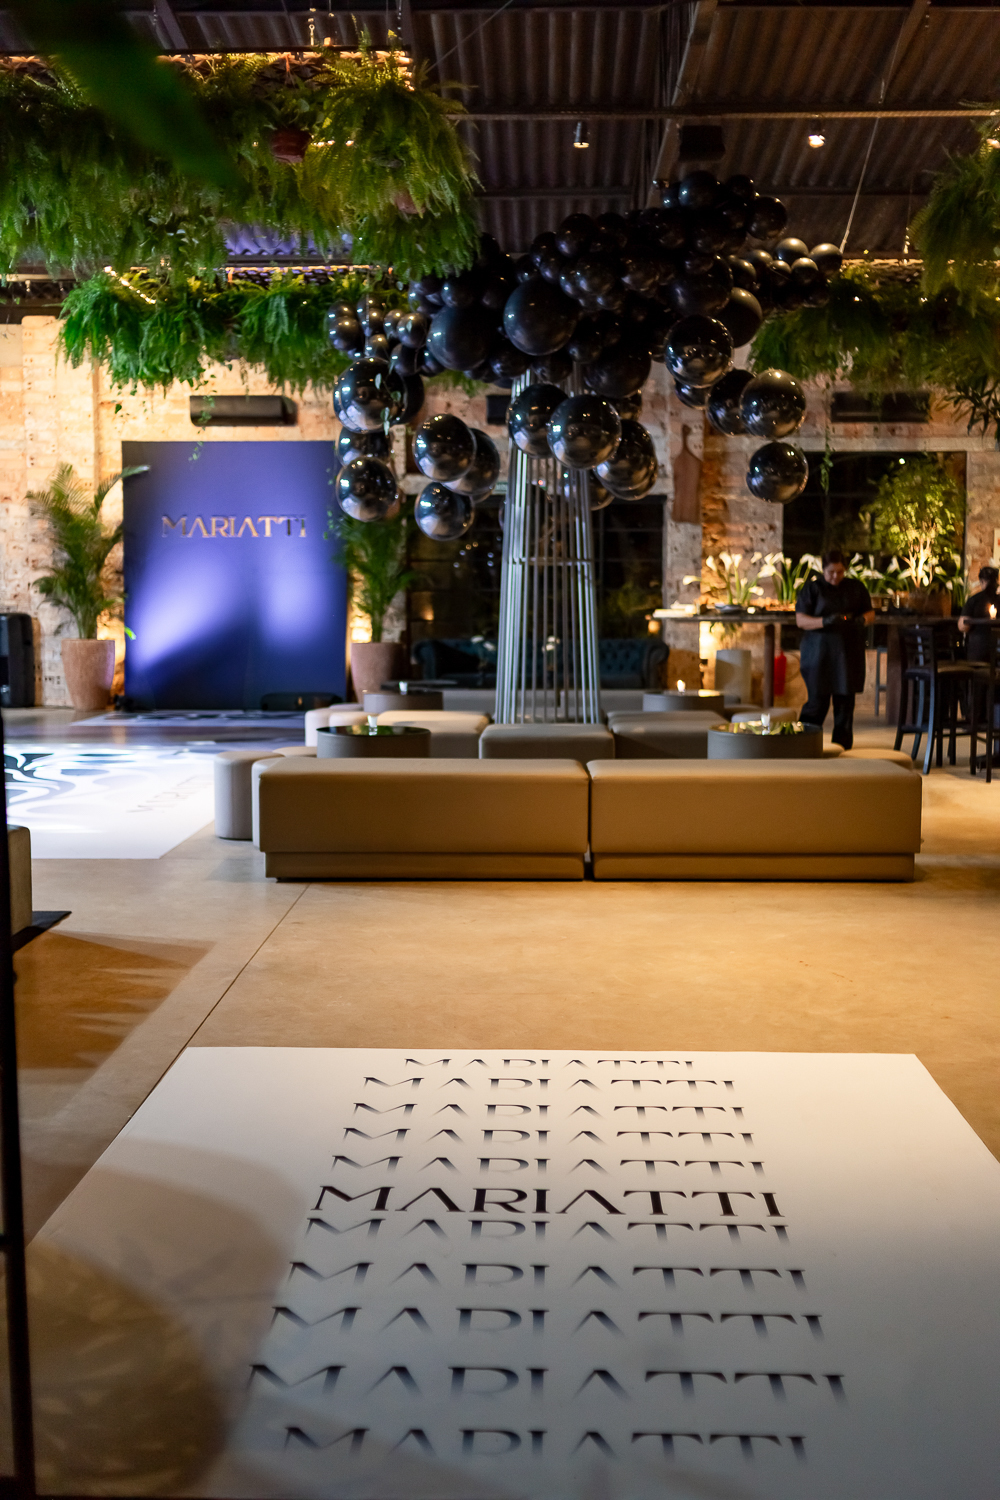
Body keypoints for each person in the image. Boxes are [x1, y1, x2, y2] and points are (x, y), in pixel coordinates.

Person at [795, 548, 875, 749]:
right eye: (831, 572)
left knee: (845, 705)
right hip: (818, 653)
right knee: (816, 703)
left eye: (839, 572)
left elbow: (870, 613)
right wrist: (825, 621)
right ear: (823, 569)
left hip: (848, 654)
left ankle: (842, 749)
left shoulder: (856, 587)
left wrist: (861, 621)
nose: (835, 576)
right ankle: (803, 746)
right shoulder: (813, 589)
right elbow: (801, 620)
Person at [958, 564, 1000, 663]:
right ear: (996, 581)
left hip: (977, 654)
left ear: (981, 581)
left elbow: (963, 626)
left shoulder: (974, 600)